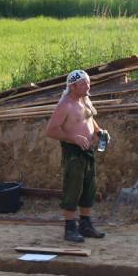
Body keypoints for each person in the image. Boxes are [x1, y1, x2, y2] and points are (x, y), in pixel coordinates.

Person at [46, 69, 109, 243]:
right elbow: (51, 130)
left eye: (88, 82)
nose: (88, 86)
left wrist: (99, 132)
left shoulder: (85, 99)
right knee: (73, 188)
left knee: (89, 187)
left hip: (87, 150)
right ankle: (70, 228)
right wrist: (73, 138)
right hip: (73, 152)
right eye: (83, 84)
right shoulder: (65, 105)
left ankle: (85, 224)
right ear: (72, 86)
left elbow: (89, 119)